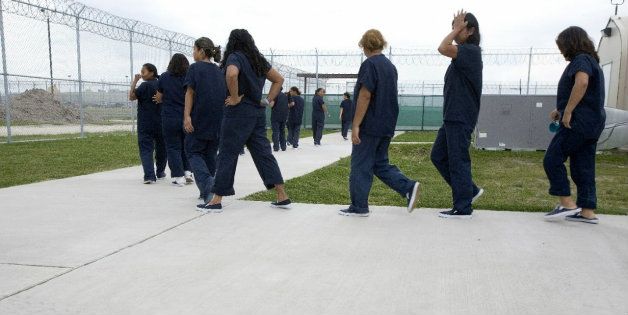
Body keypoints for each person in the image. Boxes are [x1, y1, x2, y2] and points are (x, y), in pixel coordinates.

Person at [203, 29, 291, 211]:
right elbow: (279, 79)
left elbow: (232, 74)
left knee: (228, 153)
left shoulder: (235, 57)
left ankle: (216, 199)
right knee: (263, 153)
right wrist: (267, 100)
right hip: (257, 113)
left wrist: (234, 97)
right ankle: (282, 194)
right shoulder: (257, 59)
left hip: (237, 113)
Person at [339, 29, 420, 217]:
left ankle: (359, 207)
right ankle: (408, 188)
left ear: (366, 46)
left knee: (360, 165)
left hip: (370, 125)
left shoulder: (369, 65)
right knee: (379, 164)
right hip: (387, 124)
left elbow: (365, 95)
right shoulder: (390, 67)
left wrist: (356, 124)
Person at [543, 26, 605, 224]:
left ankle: (567, 204)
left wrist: (568, 111)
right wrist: (560, 109)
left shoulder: (580, 60)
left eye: (562, 46)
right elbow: (587, 94)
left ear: (571, 43)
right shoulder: (592, 61)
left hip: (576, 122)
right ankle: (587, 211)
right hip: (592, 123)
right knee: (583, 166)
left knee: (552, 158)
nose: (561, 51)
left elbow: (582, 83)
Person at [430, 10, 483, 219]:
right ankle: (469, 191)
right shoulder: (464, 53)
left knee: (458, 160)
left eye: (459, 27)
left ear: (470, 30)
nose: (454, 31)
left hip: (460, 116)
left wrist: (456, 30)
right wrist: (457, 28)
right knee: (438, 156)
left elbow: (442, 47)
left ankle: (463, 207)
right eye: (453, 26)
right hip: (453, 116)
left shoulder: (470, 51)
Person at [183, 37, 225, 207]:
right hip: (217, 119)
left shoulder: (194, 68)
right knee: (209, 155)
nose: (193, 53)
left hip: (199, 117)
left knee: (193, 151)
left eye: (194, 49)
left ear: (201, 51)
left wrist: (187, 116)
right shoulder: (219, 70)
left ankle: (209, 189)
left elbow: (190, 93)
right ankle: (206, 193)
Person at [153, 53, 194, 186]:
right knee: (186, 146)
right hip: (186, 116)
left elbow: (159, 97)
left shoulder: (164, 77)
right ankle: (188, 172)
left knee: (172, 147)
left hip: (169, 116)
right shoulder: (189, 76)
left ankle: (178, 176)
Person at [129, 63, 166, 184]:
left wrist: (135, 81)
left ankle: (149, 175)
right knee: (161, 148)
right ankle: (160, 172)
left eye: (143, 71)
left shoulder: (144, 86)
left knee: (146, 149)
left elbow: (132, 97)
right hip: (161, 121)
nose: (141, 73)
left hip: (145, 122)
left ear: (151, 72)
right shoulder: (161, 84)